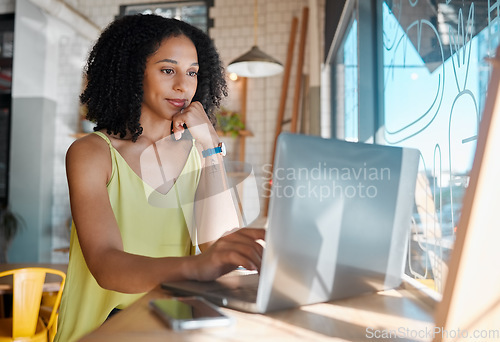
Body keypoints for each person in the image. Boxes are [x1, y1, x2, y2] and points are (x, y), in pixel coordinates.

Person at [55, 14, 265, 342]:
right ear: (132, 72)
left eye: (192, 72)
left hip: (171, 329)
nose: (183, 85)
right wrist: (196, 267)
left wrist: (210, 145)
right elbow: (107, 266)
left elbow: (217, 242)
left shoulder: (198, 153)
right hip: (98, 332)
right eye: (168, 70)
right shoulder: (92, 153)